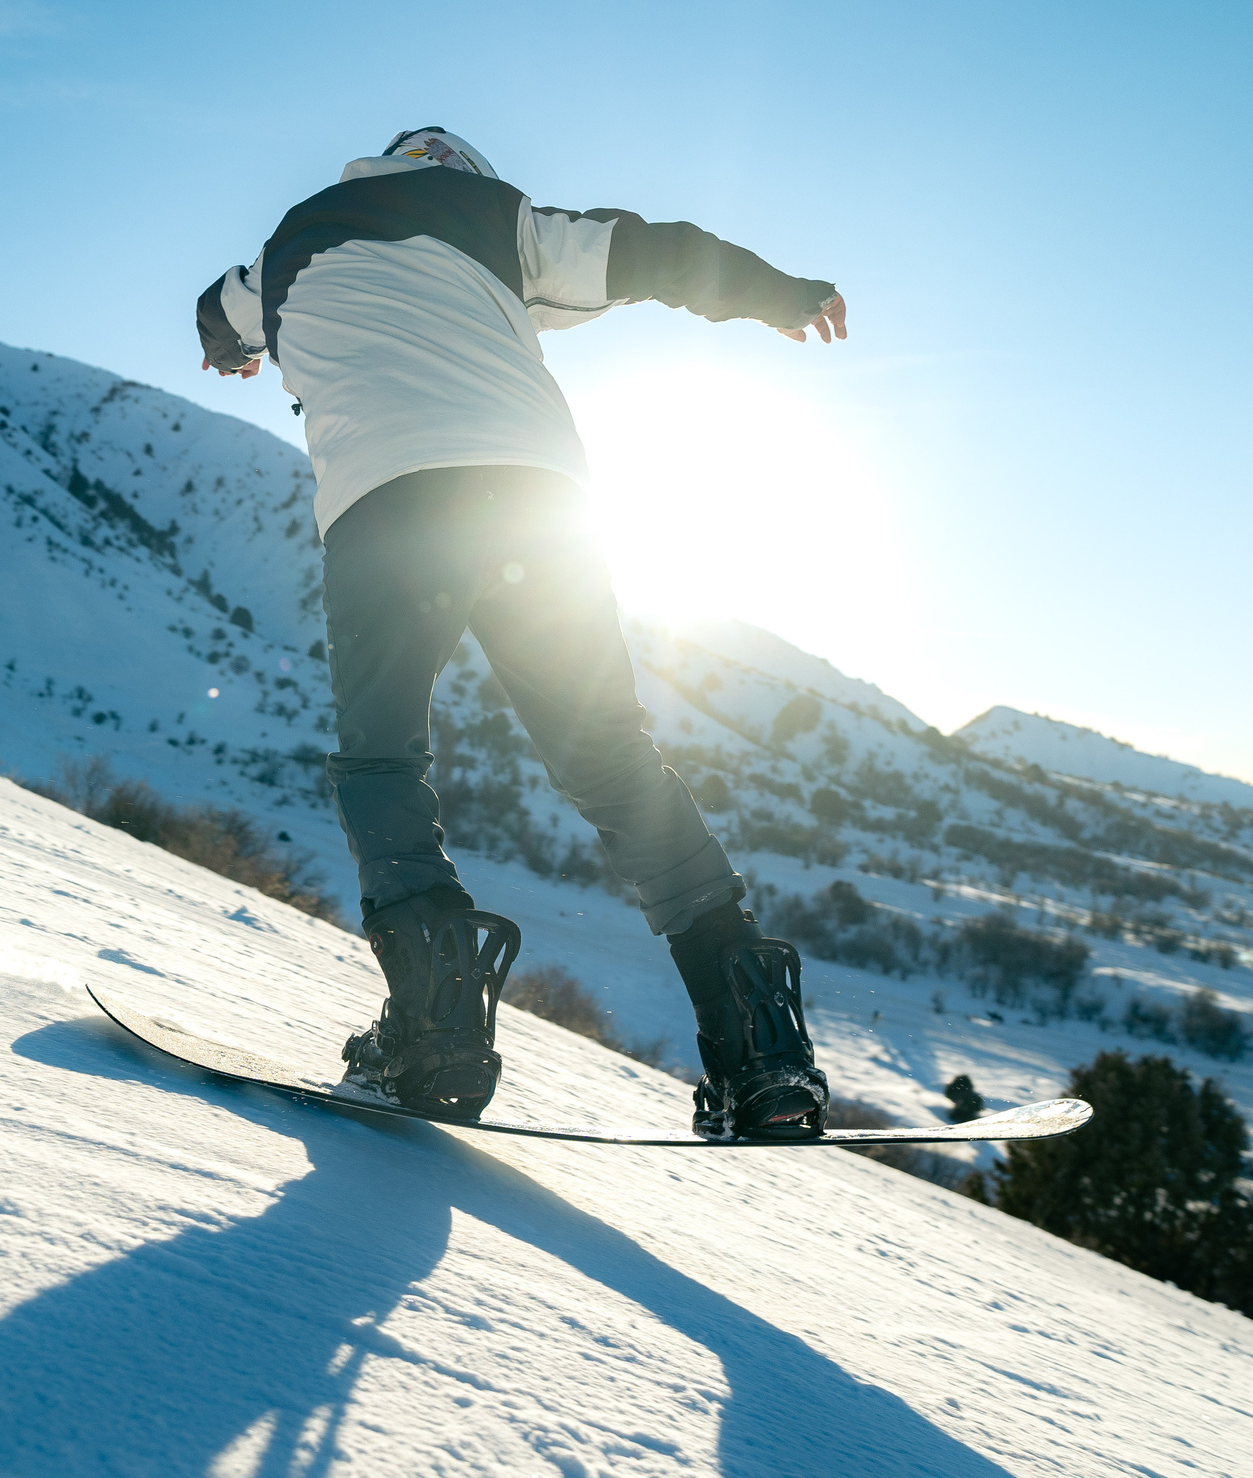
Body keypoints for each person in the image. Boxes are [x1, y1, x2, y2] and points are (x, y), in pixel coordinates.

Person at [195, 128, 847, 1139]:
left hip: (382, 506)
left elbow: (218, 309)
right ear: (464, 172)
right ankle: (757, 1047)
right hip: (537, 505)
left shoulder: (287, 246)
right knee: (610, 758)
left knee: (382, 758)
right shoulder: (496, 218)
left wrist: (232, 347)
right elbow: (650, 251)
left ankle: (438, 1026)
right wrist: (781, 293)